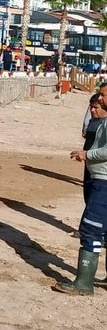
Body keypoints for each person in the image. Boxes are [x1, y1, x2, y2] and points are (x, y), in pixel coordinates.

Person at [60, 82, 107, 296]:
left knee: (90, 230)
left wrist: (87, 155)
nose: (100, 99)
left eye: (104, 96)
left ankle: (84, 284)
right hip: (99, 179)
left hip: (103, 182)